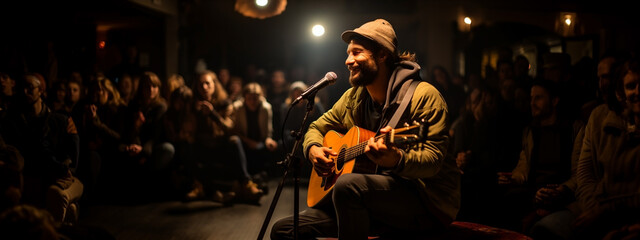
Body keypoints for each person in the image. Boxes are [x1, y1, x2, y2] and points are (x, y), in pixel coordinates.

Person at [271, 19, 459, 240]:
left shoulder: (423, 96)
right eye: (348, 53)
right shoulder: (354, 97)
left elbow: (434, 159)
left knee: (347, 185)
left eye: (357, 53)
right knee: (284, 230)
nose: (348, 61)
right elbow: (316, 127)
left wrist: (397, 159)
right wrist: (312, 149)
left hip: (424, 201)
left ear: (382, 54)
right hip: (362, 198)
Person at [573, 57, 640, 239]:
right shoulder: (602, 119)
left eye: (608, 77)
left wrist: (605, 213)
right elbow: (584, 173)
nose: (637, 92)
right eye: (631, 86)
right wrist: (593, 211)